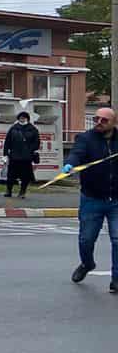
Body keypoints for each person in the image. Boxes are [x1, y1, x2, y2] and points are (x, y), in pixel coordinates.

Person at [60, 107, 118, 292]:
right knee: (86, 239)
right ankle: (87, 263)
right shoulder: (86, 138)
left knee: (117, 239)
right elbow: (77, 153)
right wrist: (70, 164)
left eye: (104, 120)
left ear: (113, 123)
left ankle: (116, 279)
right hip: (92, 198)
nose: (99, 123)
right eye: (96, 119)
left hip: (116, 200)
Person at [3, 110, 41, 199]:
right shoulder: (13, 128)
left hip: (26, 157)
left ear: (27, 119)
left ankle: (22, 192)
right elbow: (7, 141)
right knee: (11, 175)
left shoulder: (33, 129)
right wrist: (5, 154)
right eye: (20, 118)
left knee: (25, 176)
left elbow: (37, 142)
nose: (22, 119)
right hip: (14, 156)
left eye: (24, 117)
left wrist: (29, 149)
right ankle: (9, 191)